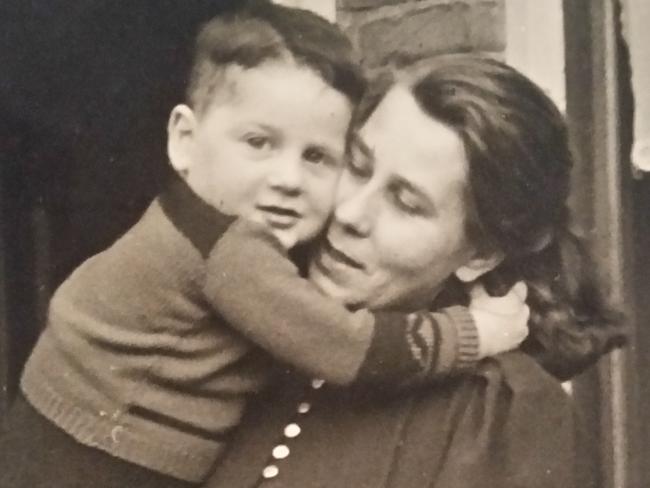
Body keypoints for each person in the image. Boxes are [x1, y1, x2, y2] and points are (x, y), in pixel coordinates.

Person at [0, 7, 529, 488]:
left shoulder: (224, 232)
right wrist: (473, 332)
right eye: (259, 143)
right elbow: (350, 346)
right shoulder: (229, 250)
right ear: (184, 139)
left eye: (319, 157)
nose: (288, 179)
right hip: (92, 456)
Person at [205, 55, 626, 488]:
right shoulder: (249, 334)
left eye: (406, 203)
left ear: (481, 254)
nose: (350, 212)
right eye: (357, 165)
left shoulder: (503, 415)